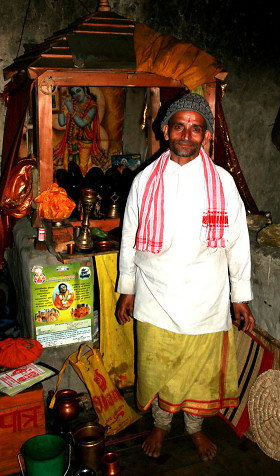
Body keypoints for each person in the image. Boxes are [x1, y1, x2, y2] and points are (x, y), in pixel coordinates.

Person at [116, 93, 255, 462]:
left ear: (206, 136)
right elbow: (130, 237)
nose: (187, 135)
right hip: (155, 299)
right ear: (165, 130)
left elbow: (238, 243)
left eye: (196, 129)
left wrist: (239, 296)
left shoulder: (223, 184)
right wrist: (127, 288)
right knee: (159, 367)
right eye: (180, 126)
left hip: (206, 300)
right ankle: (161, 424)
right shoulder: (145, 181)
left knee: (199, 373)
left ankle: (194, 429)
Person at [53, 86, 104, 176]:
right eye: (73, 93)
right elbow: (62, 123)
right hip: (70, 142)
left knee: (82, 170)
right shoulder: (73, 104)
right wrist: (61, 107)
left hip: (84, 142)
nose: (76, 94)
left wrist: (71, 110)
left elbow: (82, 123)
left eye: (78, 91)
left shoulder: (92, 106)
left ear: (84, 90)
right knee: (66, 166)